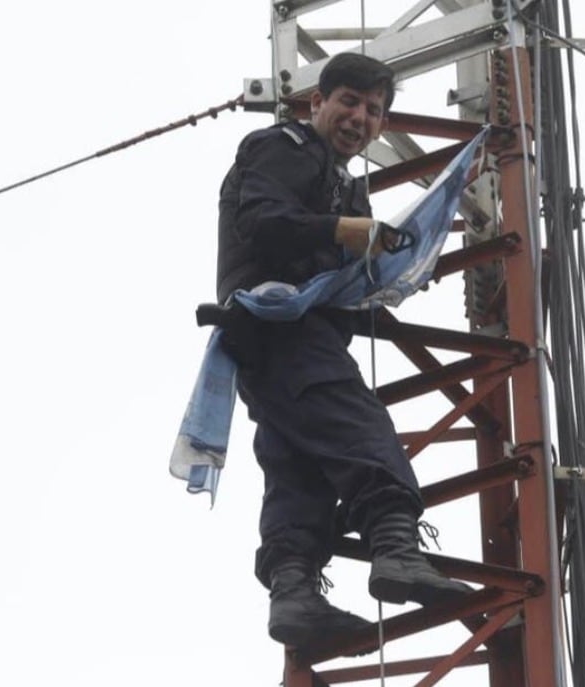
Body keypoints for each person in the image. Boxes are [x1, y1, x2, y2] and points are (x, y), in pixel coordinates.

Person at [215, 52, 470, 648]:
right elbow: (262, 221)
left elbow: (343, 276)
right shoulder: (286, 147)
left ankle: (294, 593)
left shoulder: (344, 185)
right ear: (317, 105)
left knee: (298, 466)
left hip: (282, 339)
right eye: (349, 103)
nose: (360, 118)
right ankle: (396, 549)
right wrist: (339, 231)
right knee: (358, 429)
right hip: (279, 324)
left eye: (374, 111)